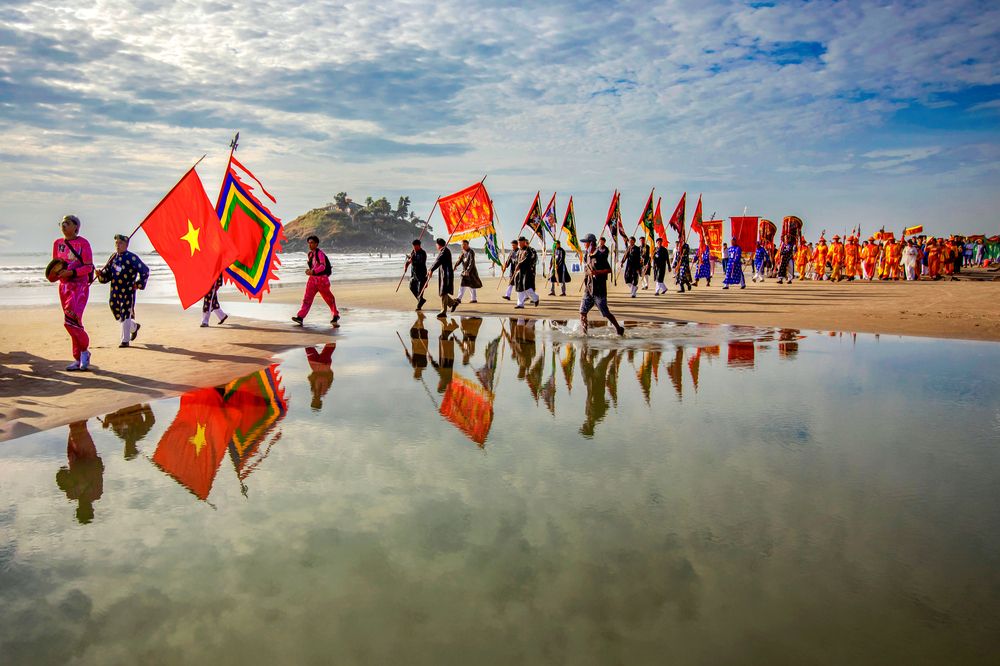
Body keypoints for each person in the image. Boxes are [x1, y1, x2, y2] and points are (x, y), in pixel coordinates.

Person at [53, 215, 94, 371]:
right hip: (64, 287)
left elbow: (88, 267)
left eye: (67, 223)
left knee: (70, 321)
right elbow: (54, 266)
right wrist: (55, 275)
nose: (63, 225)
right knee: (73, 323)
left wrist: (71, 273)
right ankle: (77, 359)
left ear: (76, 227)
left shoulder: (83, 243)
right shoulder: (57, 244)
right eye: (62, 223)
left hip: (79, 287)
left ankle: (84, 351)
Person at [95, 233, 149, 347]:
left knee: (126, 313)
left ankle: (125, 340)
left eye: (120, 243)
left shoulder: (132, 257)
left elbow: (145, 270)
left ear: (126, 245)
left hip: (128, 290)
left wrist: (138, 284)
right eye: (116, 243)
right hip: (115, 290)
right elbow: (108, 275)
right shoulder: (113, 257)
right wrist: (100, 275)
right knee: (115, 309)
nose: (118, 245)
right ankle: (133, 327)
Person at [579, 234, 625, 336]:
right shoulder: (587, 255)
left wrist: (597, 272)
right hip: (588, 289)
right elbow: (587, 270)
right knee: (582, 312)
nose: (584, 245)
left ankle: (618, 328)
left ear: (591, 243)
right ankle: (584, 334)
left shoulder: (600, 255)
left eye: (585, 242)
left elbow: (608, 270)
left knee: (605, 313)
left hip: (599, 290)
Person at [292, 235, 340, 326]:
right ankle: (300, 317)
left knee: (329, 299)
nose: (310, 245)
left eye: (312, 243)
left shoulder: (320, 253)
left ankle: (335, 315)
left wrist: (313, 271)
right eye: (309, 243)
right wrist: (310, 271)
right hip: (312, 280)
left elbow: (322, 266)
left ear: (316, 244)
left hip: (322, 280)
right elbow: (314, 266)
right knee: (307, 299)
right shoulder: (310, 254)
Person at [427, 237, 458, 317]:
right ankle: (453, 303)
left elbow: (439, 261)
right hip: (443, 273)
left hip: (446, 274)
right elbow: (436, 261)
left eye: (436, 244)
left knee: (443, 291)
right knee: (442, 292)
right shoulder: (442, 251)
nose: (436, 246)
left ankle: (443, 311)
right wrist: (430, 269)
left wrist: (432, 270)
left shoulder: (445, 251)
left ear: (439, 244)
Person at [512, 236, 540, 309]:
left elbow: (528, 260)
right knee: (519, 287)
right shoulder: (519, 251)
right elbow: (516, 260)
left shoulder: (529, 251)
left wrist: (520, 264)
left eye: (521, 242)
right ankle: (520, 304)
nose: (519, 244)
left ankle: (535, 298)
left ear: (524, 242)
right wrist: (516, 266)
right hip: (519, 272)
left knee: (526, 287)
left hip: (527, 271)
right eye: (519, 242)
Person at [453, 239, 482, 305]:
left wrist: (468, 270)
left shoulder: (471, 252)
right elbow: (459, 260)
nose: (463, 246)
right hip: (465, 271)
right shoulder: (462, 252)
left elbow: (472, 262)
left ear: (468, 245)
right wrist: (455, 266)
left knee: (471, 285)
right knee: (463, 283)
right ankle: (460, 298)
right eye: (462, 245)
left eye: (464, 245)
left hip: (471, 271)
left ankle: (472, 299)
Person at [403, 239, 428, 311]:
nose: (414, 248)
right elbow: (409, 261)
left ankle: (419, 305)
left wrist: (412, 260)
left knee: (420, 290)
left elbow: (420, 262)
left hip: (422, 274)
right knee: (411, 287)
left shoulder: (423, 253)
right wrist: (406, 266)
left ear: (419, 246)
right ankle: (420, 300)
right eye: (413, 246)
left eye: (416, 246)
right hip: (414, 274)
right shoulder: (413, 252)